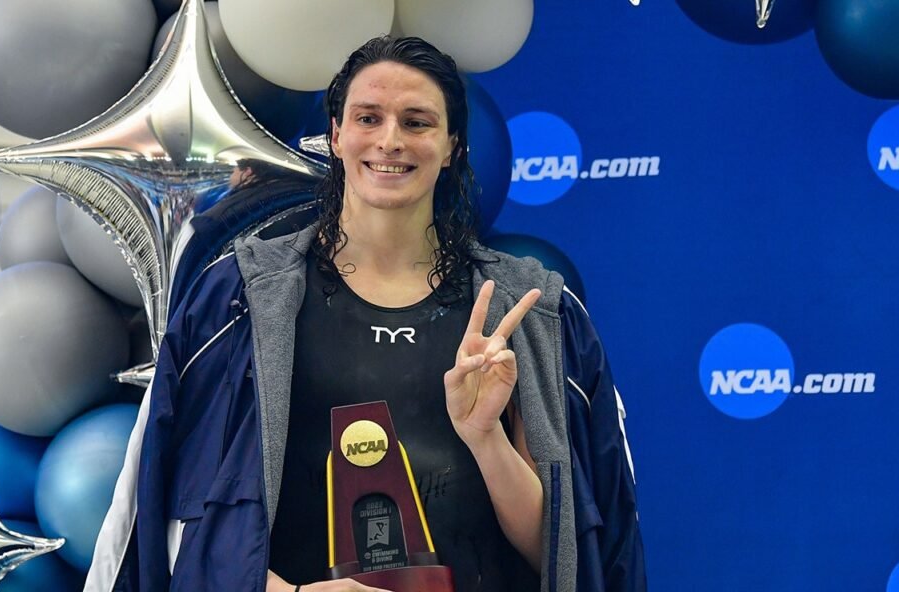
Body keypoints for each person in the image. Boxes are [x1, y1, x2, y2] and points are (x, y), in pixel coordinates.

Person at [86, 36, 645, 592]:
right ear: (336, 135)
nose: (390, 140)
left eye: (417, 122)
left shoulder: (526, 312)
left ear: (453, 145)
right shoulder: (238, 298)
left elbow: (562, 553)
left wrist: (484, 437)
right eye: (368, 118)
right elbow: (179, 521)